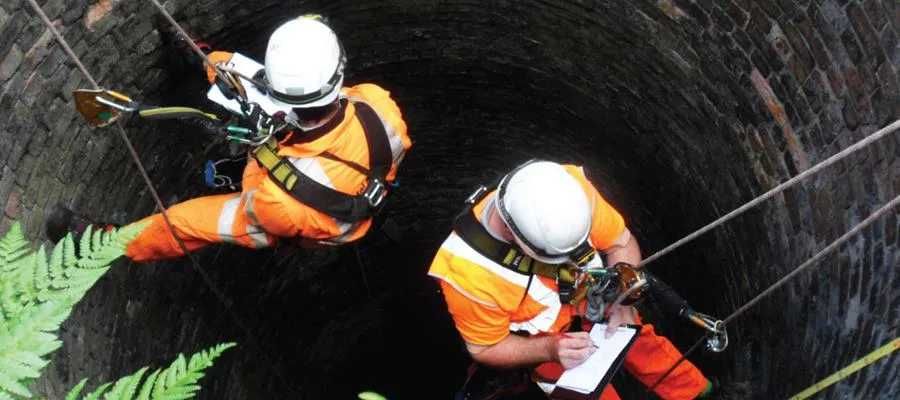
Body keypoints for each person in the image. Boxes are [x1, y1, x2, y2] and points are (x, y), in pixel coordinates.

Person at [47, 15, 412, 261]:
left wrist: (261, 144)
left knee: (182, 223)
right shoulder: (379, 103)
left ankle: (107, 243)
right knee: (239, 78)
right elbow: (324, 103)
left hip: (301, 218)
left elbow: (256, 183)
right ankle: (200, 58)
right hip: (337, 168)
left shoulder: (274, 201)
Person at [428, 160, 711, 399]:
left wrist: (622, 297)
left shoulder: (567, 190)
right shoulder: (465, 273)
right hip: (547, 342)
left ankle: (698, 394)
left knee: (645, 348)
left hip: (596, 299)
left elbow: (621, 243)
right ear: (513, 235)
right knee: (586, 393)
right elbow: (486, 347)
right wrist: (550, 350)